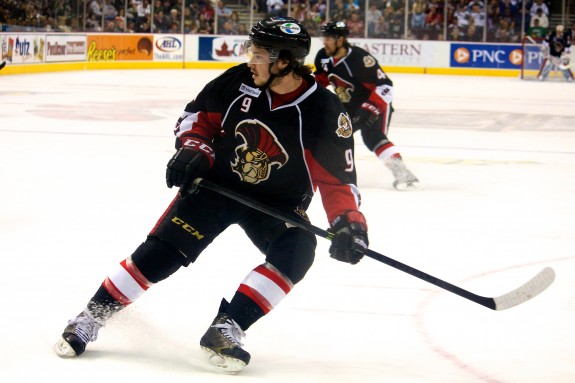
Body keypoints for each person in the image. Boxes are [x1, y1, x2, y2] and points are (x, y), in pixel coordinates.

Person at [53, 17, 369, 374]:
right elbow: (196, 118)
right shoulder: (237, 81)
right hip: (217, 187)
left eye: (260, 53)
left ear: (284, 62)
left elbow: (338, 181)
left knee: (297, 251)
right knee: (160, 255)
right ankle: (91, 316)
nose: (251, 59)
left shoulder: (323, 111)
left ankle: (227, 327)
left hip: (276, 204)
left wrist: (349, 224)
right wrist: (195, 148)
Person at [313, 21, 420, 190]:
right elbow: (321, 80)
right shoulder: (323, 57)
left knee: (373, 137)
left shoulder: (359, 59)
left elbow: (385, 86)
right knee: (335, 135)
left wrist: (369, 109)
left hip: (375, 103)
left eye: (329, 38)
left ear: (340, 40)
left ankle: (403, 174)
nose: (324, 42)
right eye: (323, 38)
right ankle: (335, 173)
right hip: (348, 106)